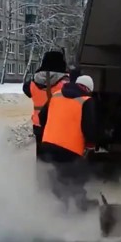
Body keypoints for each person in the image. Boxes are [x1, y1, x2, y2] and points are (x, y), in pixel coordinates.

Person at [38, 75, 99, 212]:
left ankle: (58, 206)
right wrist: (90, 144)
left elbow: (42, 117)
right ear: (88, 89)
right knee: (76, 176)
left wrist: (52, 131)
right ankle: (81, 205)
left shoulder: (56, 95)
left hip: (48, 144)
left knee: (56, 175)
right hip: (70, 149)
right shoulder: (86, 100)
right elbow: (89, 127)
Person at [22, 51, 70, 160]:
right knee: (58, 158)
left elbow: (26, 90)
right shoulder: (66, 82)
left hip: (39, 125)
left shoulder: (33, 82)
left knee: (41, 157)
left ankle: (40, 176)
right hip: (58, 125)